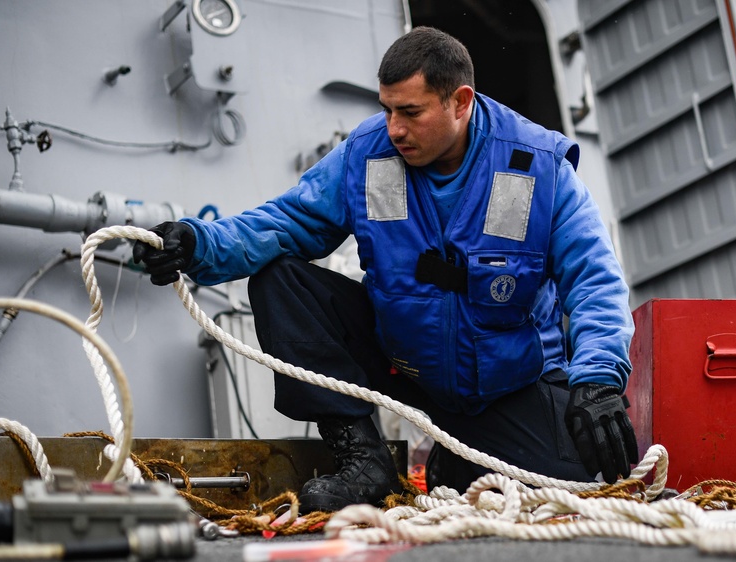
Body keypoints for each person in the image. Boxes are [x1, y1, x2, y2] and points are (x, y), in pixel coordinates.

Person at [133, 26, 638, 513]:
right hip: (403, 364)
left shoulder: (537, 166)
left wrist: (597, 381)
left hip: (506, 384)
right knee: (279, 278)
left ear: (460, 102)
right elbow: (285, 223)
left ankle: (456, 457)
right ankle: (362, 459)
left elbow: (594, 279)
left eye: (410, 112)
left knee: (568, 486)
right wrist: (198, 243)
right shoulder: (368, 155)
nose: (394, 128)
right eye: (387, 109)